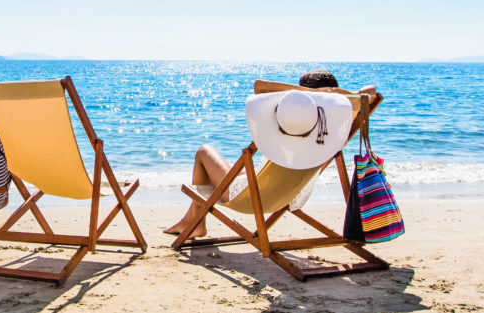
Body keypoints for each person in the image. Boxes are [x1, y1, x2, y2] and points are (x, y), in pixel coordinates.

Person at [163, 70, 384, 238]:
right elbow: (371, 91)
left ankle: (195, 224)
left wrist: (309, 95)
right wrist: (335, 96)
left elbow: (259, 86)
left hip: (254, 197)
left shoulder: (291, 122)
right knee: (223, 169)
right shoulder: (335, 129)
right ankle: (193, 222)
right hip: (292, 194)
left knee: (204, 151)